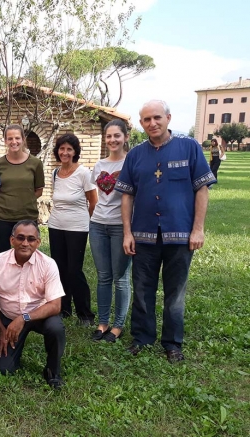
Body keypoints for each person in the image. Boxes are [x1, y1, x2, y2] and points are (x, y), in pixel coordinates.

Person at [116, 100, 215, 363]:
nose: (152, 123)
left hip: (180, 234)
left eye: (157, 117)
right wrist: (127, 233)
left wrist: (198, 229)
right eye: (146, 119)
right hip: (144, 235)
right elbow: (127, 195)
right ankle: (142, 338)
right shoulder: (135, 155)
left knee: (175, 293)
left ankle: (172, 343)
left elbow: (201, 190)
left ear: (168, 118)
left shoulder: (189, 147)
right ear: (141, 124)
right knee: (142, 289)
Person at [0, 220, 66, 389]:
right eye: (20, 238)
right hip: (9, 317)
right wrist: (2, 330)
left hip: (40, 315)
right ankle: (11, 351)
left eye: (31, 239)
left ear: (38, 242)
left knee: (56, 327)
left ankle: (53, 371)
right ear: (12, 240)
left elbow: (55, 305)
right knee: (4, 370)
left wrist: (24, 318)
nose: (25, 243)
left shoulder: (48, 264)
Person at [47, 133, 97, 326]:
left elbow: (93, 202)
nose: (65, 152)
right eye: (62, 148)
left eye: (69, 149)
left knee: (74, 270)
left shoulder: (84, 173)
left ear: (75, 151)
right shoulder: (55, 173)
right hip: (56, 225)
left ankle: (85, 314)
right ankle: (64, 309)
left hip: (77, 227)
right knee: (59, 268)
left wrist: (88, 224)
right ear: (57, 151)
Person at [89, 119, 132, 343]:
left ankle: (118, 325)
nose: (113, 140)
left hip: (120, 227)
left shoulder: (130, 163)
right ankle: (103, 322)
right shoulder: (99, 165)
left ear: (125, 137)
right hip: (97, 225)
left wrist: (129, 231)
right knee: (103, 276)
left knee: (121, 278)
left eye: (117, 135)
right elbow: (98, 197)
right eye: (108, 136)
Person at [0, 124, 44, 254]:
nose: (14, 142)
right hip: (2, 218)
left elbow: (39, 190)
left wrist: (24, 200)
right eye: (10, 139)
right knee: (3, 255)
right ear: (5, 141)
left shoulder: (35, 163)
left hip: (27, 217)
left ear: (23, 140)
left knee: (27, 254)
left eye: (17, 138)